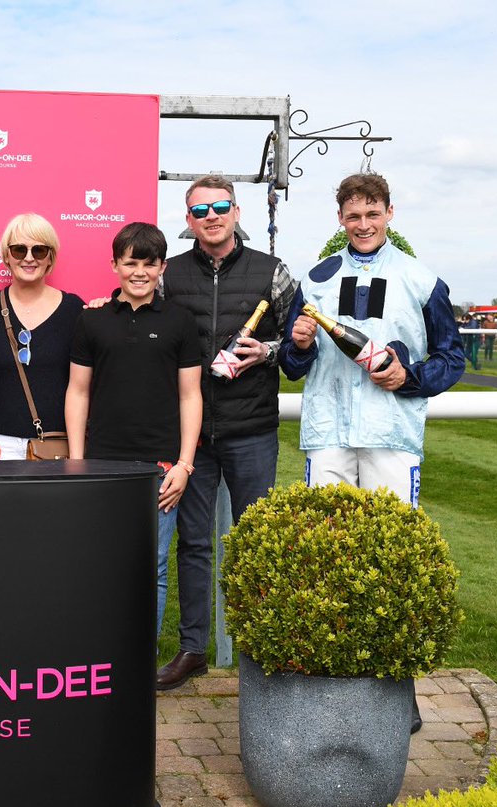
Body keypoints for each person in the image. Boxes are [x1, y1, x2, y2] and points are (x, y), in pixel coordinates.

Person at [280, 172, 464, 732]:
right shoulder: (313, 281)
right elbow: (291, 366)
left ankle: (397, 691)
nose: (363, 224)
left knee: (393, 563)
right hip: (330, 435)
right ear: (340, 219)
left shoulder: (421, 279)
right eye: (353, 215)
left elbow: (452, 359)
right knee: (329, 562)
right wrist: (299, 345)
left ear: (389, 213)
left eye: (372, 214)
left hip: (391, 437)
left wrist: (409, 376)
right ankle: (329, 684)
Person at [153, 175, 300, 691]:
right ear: (188, 222)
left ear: (237, 211)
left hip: (251, 429)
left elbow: (302, 344)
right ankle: (193, 649)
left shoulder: (273, 272)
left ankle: (260, 651)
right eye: (199, 211)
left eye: (220, 207)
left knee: (257, 541)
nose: (211, 216)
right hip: (190, 437)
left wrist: (270, 352)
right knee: (194, 544)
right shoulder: (168, 274)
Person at [65, 222, 203, 639]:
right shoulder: (92, 322)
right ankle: (102, 659)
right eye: (130, 263)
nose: (139, 271)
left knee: (153, 567)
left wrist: (184, 465)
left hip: (160, 470)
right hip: (102, 466)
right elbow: (77, 392)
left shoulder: (181, 322)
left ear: (162, 267)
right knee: (100, 564)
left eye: (149, 263)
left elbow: (190, 397)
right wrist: (76, 461)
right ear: (114, 265)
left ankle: (139, 666)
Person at [0, 213, 83, 460]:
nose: (29, 258)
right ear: (6, 256)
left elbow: (87, 382)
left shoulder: (74, 310)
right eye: (19, 250)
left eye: (39, 250)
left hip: (55, 443)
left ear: (51, 256)